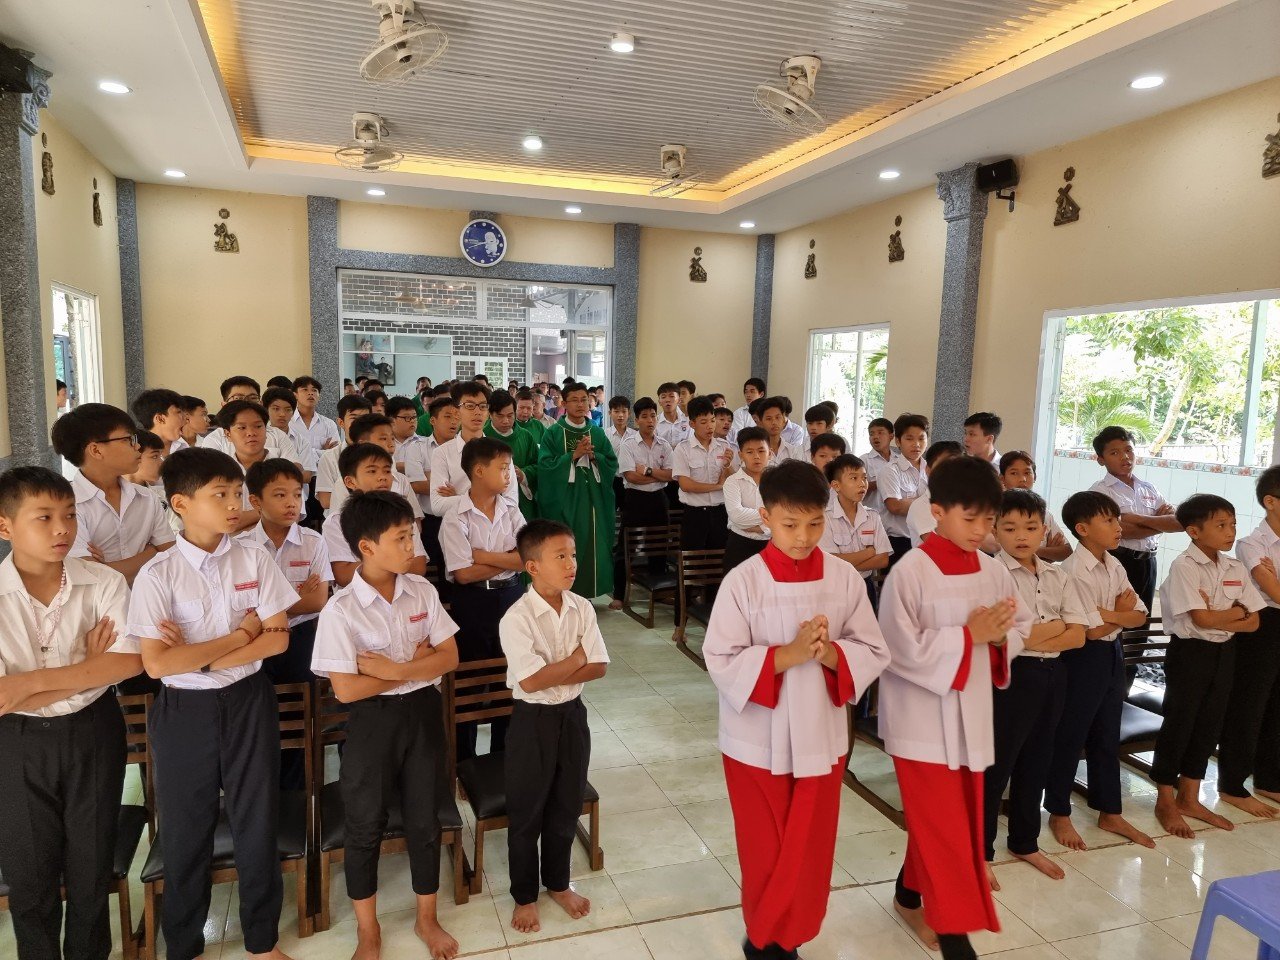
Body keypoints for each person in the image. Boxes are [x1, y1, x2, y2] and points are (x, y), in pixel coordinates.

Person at [705, 459, 890, 960]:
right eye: (790, 524)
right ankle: (764, 937)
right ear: (765, 518)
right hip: (754, 741)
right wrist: (787, 655)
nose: (803, 537)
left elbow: (873, 649)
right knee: (764, 847)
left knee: (809, 846)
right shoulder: (743, 581)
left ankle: (787, 936)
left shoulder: (844, 578)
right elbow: (719, 657)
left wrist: (829, 654)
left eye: (814, 523)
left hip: (820, 739)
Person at [126, 447, 299, 960]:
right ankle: (183, 945)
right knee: (186, 826)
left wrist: (198, 656)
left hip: (248, 701)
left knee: (257, 817)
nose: (233, 504)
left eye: (237, 493)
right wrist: (240, 636)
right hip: (185, 711)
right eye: (219, 494)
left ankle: (262, 941)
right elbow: (157, 665)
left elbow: (277, 640)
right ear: (180, 503)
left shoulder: (253, 558)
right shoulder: (158, 575)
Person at [877, 455, 1031, 960]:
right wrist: (969, 637)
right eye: (971, 518)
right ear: (937, 511)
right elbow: (896, 648)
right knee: (946, 828)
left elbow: (1021, 626)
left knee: (950, 818)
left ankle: (907, 893)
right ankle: (954, 934)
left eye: (989, 519)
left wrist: (998, 637)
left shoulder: (993, 570)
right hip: (921, 721)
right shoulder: (911, 571)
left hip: (971, 715)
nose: (981, 530)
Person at [311, 490, 461, 960]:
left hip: (423, 713)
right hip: (372, 723)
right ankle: (368, 929)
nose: (412, 546)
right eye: (401, 538)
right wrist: (414, 667)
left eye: (411, 534)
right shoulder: (341, 610)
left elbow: (449, 657)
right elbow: (346, 690)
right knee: (364, 823)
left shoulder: (422, 591)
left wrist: (393, 669)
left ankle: (426, 918)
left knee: (425, 817)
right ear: (367, 547)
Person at [0, 466, 142, 960]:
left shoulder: (103, 581)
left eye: (69, 515)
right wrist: (87, 668)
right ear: (5, 526)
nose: (63, 529)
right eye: (44, 517)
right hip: (16, 741)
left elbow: (129, 662)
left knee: (92, 861)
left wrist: (29, 682)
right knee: (29, 869)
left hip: (93, 729)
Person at [499, 519, 609, 933]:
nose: (571, 564)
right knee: (527, 811)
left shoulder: (582, 607)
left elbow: (598, 667)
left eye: (573, 555)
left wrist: (563, 669)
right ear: (532, 567)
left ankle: (559, 884)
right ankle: (525, 895)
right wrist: (576, 659)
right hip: (532, 721)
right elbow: (530, 682)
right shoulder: (517, 618)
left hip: (572, 716)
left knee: (567, 803)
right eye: (560, 556)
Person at [983, 489, 1088, 890]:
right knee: (997, 767)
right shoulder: (990, 575)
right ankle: (981, 852)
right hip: (1010, 676)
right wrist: (1052, 628)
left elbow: (1079, 635)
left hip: (1053, 674)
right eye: (1010, 528)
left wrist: (1032, 635)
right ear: (995, 530)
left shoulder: (1058, 575)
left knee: (1037, 760)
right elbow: (1000, 639)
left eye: (1030, 527)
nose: (1021, 536)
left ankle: (1024, 842)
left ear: (1044, 529)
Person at [1044, 490, 1152, 851]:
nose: (1118, 527)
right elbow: (1089, 631)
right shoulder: (1071, 571)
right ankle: (1058, 811)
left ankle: (1110, 811)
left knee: (1108, 731)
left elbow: (1140, 615)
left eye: (1117, 519)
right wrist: (1118, 615)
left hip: (1112, 654)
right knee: (1071, 734)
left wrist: (1108, 615)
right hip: (1082, 657)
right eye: (1108, 520)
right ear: (1083, 528)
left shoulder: (1114, 565)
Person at [1152, 493, 1264, 838]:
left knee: (1210, 723)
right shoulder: (1184, 567)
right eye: (1221, 525)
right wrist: (1234, 612)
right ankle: (1165, 798)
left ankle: (1190, 796)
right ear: (1194, 531)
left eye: (1233, 524)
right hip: (1190, 653)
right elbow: (1200, 621)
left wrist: (1222, 615)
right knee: (1180, 721)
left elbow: (1254, 622)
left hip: (1224, 652)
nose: (1230, 532)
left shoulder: (1234, 567)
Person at [440, 437, 526, 760]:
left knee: (510, 677)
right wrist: (506, 559)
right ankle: (464, 761)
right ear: (478, 471)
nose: (509, 474)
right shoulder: (455, 517)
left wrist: (483, 556)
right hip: (473, 603)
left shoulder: (512, 511)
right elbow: (463, 574)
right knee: (471, 682)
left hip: (512, 597)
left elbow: (526, 560)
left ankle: (502, 756)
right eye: (503, 468)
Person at [52, 402, 175, 585]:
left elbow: (171, 556)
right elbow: (90, 577)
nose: (137, 446)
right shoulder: (68, 506)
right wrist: (152, 552)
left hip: (149, 597)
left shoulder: (147, 497)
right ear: (96, 450)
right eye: (129, 439)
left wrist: (106, 567)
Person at [1219, 465, 1280, 818]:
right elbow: (1274, 593)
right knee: (1249, 704)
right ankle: (1232, 784)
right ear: (1270, 502)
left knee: (1278, 705)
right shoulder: (1252, 544)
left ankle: (1269, 778)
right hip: (1263, 625)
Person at [536, 383, 618, 598]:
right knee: (567, 544)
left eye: (584, 400)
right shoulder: (553, 433)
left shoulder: (597, 433)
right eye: (575, 400)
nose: (581, 404)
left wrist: (595, 457)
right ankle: (563, 594)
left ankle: (587, 595)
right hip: (566, 500)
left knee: (592, 544)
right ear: (564, 403)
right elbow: (545, 467)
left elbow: (611, 463)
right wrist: (573, 455)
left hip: (593, 500)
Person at [1088, 425, 1180, 613]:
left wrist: (1136, 519)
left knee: (1142, 617)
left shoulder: (1149, 488)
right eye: (1115, 453)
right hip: (1118, 560)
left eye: (1129, 450)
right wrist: (1159, 522)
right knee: (1119, 616)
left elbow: (1177, 522)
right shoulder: (1100, 491)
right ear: (1101, 460)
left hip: (1149, 562)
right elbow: (1122, 530)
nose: (1125, 457)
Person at [325, 444, 429, 588]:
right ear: (350, 481)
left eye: (387, 471)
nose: (382, 477)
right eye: (372, 471)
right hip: (357, 598)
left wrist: (372, 566)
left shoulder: (403, 515)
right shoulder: (337, 521)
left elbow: (418, 566)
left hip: (405, 593)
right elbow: (343, 575)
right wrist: (396, 563)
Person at [430, 382, 518, 521]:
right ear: (456, 412)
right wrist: (491, 497)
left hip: (495, 528)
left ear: (488, 413)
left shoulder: (500, 452)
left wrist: (460, 497)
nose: (477, 412)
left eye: (483, 406)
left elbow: (512, 502)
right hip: (457, 528)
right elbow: (437, 505)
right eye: (469, 406)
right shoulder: (442, 453)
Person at [819, 454, 890, 604]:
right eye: (854, 478)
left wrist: (844, 563)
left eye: (864, 478)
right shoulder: (825, 518)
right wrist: (868, 552)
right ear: (836, 485)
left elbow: (883, 559)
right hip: (837, 587)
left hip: (865, 585)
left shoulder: (872, 516)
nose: (862, 484)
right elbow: (830, 563)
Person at [617, 398, 674, 576]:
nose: (650, 420)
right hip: (635, 499)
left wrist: (648, 471)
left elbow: (671, 475)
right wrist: (658, 476)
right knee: (627, 547)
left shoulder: (664, 445)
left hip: (659, 499)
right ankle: (620, 588)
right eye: (645, 416)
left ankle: (658, 583)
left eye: (653, 416)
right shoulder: (628, 444)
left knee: (659, 545)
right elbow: (631, 476)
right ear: (636, 420)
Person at [332, 414, 425, 521]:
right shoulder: (344, 484)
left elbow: (414, 519)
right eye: (383, 438)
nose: (391, 444)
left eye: (393, 438)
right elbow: (341, 522)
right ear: (363, 443)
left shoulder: (401, 480)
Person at [673, 396, 735, 553]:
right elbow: (686, 485)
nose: (710, 426)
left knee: (718, 559)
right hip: (695, 514)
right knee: (693, 560)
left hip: (720, 512)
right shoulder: (683, 449)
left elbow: (732, 479)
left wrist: (728, 465)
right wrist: (718, 486)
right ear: (692, 424)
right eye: (703, 422)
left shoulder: (724, 446)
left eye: (712, 420)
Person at [998, 451, 1071, 562]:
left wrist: (1036, 551)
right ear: (1002, 478)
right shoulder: (994, 512)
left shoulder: (1044, 513)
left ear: (1035, 477)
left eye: (1027, 473)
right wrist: (1047, 554)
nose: (1022, 479)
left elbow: (1066, 552)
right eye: (1014, 473)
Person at [879, 413, 929, 562]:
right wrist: (932, 501)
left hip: (928, 538)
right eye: (909, 438)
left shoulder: (932, 469)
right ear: (898, 441)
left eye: (921, 438)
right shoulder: (890, 470)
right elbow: (895, 507)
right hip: (899, 542)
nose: (916, 444)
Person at [421, 397, 460, 583]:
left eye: (457, 416)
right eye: (447, 416)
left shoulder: (468, 448)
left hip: (461, 517)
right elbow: (418, 485)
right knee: (438, 569)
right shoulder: (418, 447)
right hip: (430, 518)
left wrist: (458, 494)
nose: (454, 421)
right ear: (433, 420)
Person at [722, 427, 771, 572]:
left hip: (771, 546)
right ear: (741, 455)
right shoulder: (732, 482)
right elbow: (736, 516)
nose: (756, 456)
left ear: (770, 453)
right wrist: (771, 518)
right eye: (750, 452)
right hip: (739, 546)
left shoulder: (779, 482)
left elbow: (786, 515)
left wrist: (761, 527)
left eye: (761, 451)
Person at [486, 389, 540, 520]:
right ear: (490, 414)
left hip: (522, 500)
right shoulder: (483, 436)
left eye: (510, 415)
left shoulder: (525, 436)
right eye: (500, 416)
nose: (506, 421)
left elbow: (539, 464)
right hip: (490, 501)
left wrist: (524, 474)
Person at [316, 393, 373, 514]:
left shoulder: (381, 456)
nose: (360, 423)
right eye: (353, 418)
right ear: (341, 422)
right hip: (341, 520)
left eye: (365, 418)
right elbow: (325, 500)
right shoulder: (329, 458)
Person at [905, 440, 963, 547]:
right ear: (928, 470)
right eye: (944, 466)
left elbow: (991, 544)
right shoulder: (921, 506)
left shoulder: (966, 502)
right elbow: (942, 547)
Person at [132, 387, 190, 455]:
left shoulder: (184, 447)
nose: (186, 418)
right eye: (179, 412)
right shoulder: (137, 451)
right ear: (160, 419)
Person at [859, 416, 895, 519]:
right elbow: (855, 488)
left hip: (895, 520)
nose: (875, 437)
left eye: (880, 432)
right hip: (871, 517)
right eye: (871, 434)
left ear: (891, 436)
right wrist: (881, 482)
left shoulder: (899, 460)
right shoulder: (864, 460)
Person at [758, 397, 805, 464]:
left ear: (784, 421)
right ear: (761, 423)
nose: (774, 422)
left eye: (777, 417)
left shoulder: (793, 451)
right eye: (769, 418)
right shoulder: (755, 452)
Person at [655, 382, 690, 450]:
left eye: (672, 396)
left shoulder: (688, 421)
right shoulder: (655, 422)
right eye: (663, 397)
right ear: (659, 402)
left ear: (679, 400)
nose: (667, 400)